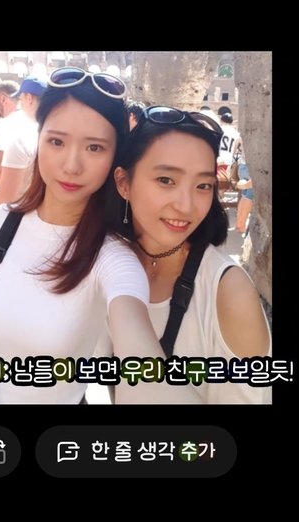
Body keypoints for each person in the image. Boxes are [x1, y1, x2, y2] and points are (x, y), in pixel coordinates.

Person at [0, 67, 170, 405]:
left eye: (95, 147)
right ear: (39, 138)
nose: (71, 165)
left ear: (115, 158)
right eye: (57, 141)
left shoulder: (113, 257)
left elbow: (142, 355)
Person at [101, 105, 271, 404]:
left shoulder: (228, 291)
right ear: (123, 183)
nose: (186, 206)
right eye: (166, 180)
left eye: (203, 185)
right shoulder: (108, 261)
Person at [0, 75, 47, 208]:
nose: (20, 104)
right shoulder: (49, 128)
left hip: (17, 205)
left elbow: (0, 168)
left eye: (21, 99)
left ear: (29, 98)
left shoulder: (11, 126)